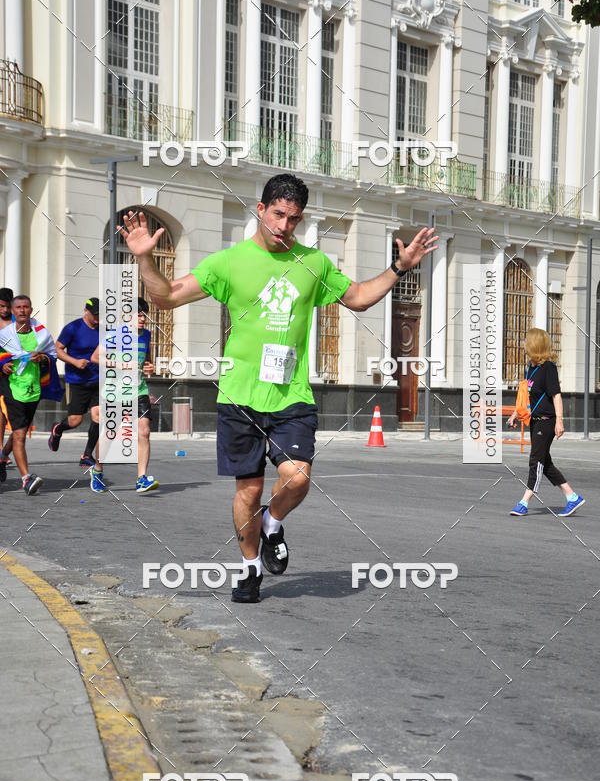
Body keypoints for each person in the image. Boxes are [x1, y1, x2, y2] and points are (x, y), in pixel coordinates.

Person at [119, 174, 437, 603]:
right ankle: (250, 568)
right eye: (278, 214)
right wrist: (144, 260)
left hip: (292, 395)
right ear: (261, 209)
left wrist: (400, 267)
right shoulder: (229, 262)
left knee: (298, 477)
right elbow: (167, 297)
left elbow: (359, 297)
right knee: (248, 491)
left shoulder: (313, 263)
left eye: (294, 218)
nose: (284, 225)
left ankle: (272, 522)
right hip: (239, 397)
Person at [507, 327, 584, 517]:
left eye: (526, 341)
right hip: (534, 421)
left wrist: (560, 421)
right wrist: (515, 414)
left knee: (535, 461)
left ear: (534, 344)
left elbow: (556, 396)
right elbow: (527, 397)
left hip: (547, 421)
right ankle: (572, 496)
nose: (523, 344)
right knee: (545, 462)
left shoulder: (548, 368)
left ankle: (524, 502)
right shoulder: (531, 368)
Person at [90, 297, 159, 493]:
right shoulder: (115, 334)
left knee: (144, 431)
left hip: (138, 390)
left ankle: (141, 478)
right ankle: (97, 470)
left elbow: (145, 361)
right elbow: (95, 357)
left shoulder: (146, 335)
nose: (143, 319)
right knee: (110, 434)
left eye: (145, 315)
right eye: (139, 315)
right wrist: (121, 365)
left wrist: (149, 367)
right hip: (115, 391)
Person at [0, 295, 58, 494]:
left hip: (33, 389)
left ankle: (2, 457)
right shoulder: (5, 335)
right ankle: (26, 479)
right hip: (11, 389)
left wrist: (41, 358)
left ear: (31, 310)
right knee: (19, 434)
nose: (22, 310)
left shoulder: (41, 334)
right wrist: (3, 365)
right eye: (18, 307)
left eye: (26, 307)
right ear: (13, 311)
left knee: (21, 431)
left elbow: (52, 355)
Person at [48, 297, 101, 468]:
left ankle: (87, 455)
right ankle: (58, 428)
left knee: (99, 416)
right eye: (95, 314)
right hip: (78, 381)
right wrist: (75, 361)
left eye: (100, 314)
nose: (97, 318)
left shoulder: (104, 330)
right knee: (75, 421)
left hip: (98, 380)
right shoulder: (73, 328)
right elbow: (57, 349)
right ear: (86, 311)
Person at [0, 287, 14, 475]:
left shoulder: (16, 322)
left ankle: (3, 454)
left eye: (7, 306)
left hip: (14, 375)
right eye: (1, 306)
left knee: (7, 413)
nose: (4, 310)